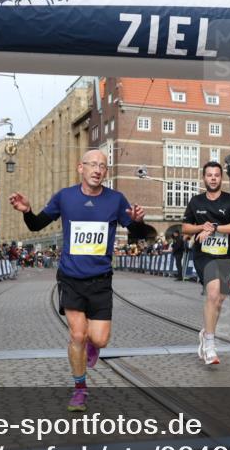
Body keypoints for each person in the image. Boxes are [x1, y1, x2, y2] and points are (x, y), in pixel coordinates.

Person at [9, 149, 147, 412]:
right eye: (92, 164)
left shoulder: (116, 199)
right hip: (71, 278)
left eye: (102, 166)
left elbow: (136, 232)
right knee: (77, 335)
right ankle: (80, 389)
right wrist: (27, 211)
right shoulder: (65, 196)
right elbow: (37, 225)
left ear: (106, 172)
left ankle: (94, 347)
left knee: (100, 339)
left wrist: (138, 221)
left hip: (101, 280)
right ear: (80, 167)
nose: (97, 169)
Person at [182, 161, 230, 365]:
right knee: (212, 293)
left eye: (216, 175)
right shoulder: (196, 201)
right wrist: (202, 227)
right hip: (204, 255)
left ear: (221, 178)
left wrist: (215, 228)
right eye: (209, 175)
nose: (213, 178)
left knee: (220, 299)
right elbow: (185, 228)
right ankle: (210, 344)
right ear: (204, 178)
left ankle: (205, 332)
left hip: (226, 255)